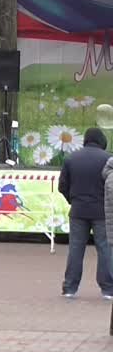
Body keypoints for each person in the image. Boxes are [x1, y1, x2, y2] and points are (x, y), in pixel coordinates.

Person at [58, 127, 113, 299]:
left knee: (75, 249)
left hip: (78, 211)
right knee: (105, 249)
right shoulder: (108, 159)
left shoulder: (71, 159)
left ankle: (69, 288)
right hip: (102, 212)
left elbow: (62, 186)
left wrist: (72, 200)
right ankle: (108, 289)